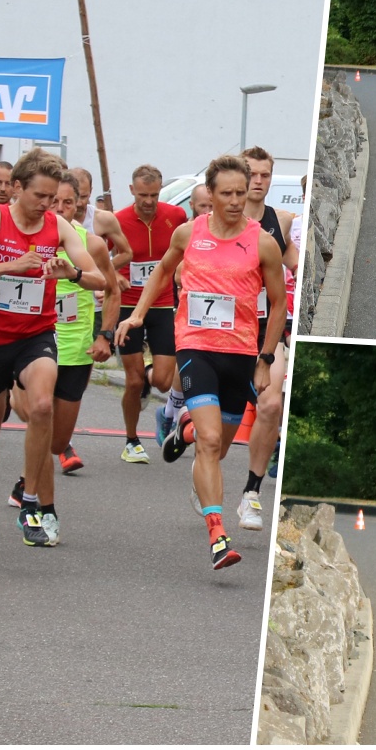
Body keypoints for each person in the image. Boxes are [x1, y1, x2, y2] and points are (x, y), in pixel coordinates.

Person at [117, 154, 286, 570]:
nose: (233, 201)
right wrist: (137, 315)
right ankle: (217, 534)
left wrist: (265, 360)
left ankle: (184, 432)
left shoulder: (262, 241)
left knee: (219, 446)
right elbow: (160, 272)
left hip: (241, 354)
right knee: (212, 443)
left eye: (240, 193)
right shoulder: (188, 233)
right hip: (196, 347)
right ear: (209, 194)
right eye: (225, 193)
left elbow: (279, 304)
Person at [0, 149, 106, 548]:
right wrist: (5, 267)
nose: (47, 206)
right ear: (17, 188)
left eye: (53, 198)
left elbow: (100, 279)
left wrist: (75, 273)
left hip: (35, 336)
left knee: (42, 406)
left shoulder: (58, 227)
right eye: (40, 197)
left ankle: (32, 503)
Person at [6, 172, 119, 543]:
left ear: (78, 204)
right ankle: (44, 511)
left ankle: (28, 478)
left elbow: (112, 290)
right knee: (41, 417)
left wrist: (105, 336)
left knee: (55, 442)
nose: (58, 208)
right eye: (53, 201)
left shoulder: (89, 245)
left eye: (67, 202)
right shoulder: (21, 240)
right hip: (31, 346)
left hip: (75, 351)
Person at [114, 164, 186, 463]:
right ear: (132, 191)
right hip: (128, 306)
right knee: (131, 382)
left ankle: (147, 378)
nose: (148, 201)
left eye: (154, 195)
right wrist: (113, 274)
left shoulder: (176, 216)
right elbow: (101, 258)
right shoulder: (118, 221)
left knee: (164, 381)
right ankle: (131, 440)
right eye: (143, 195)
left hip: (162, 304)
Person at [68, 167, 132, 337]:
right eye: (76, 197)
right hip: (66, 295)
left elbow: (126, 253)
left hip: (95, 298)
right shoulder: (55, 218)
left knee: (88, 353)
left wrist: (106, 271)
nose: (80, 203)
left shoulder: (102, 219)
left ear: (91, 192)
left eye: (84, 196)